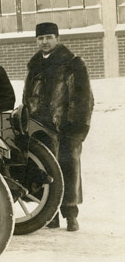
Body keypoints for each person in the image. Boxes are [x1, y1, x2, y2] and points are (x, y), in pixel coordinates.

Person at [22, 22, 94, 232]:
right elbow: (27, 97)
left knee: (68, 169)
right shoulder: (34, 66)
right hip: (39, 129)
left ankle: (70, 214)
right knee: (44, 170)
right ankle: (50, 214)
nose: (44, 42)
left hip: (65, 129)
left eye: (48, 37)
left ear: (57, 38)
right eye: (40, 38)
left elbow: (83, 99)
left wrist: (77, 129)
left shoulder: (73, 64)